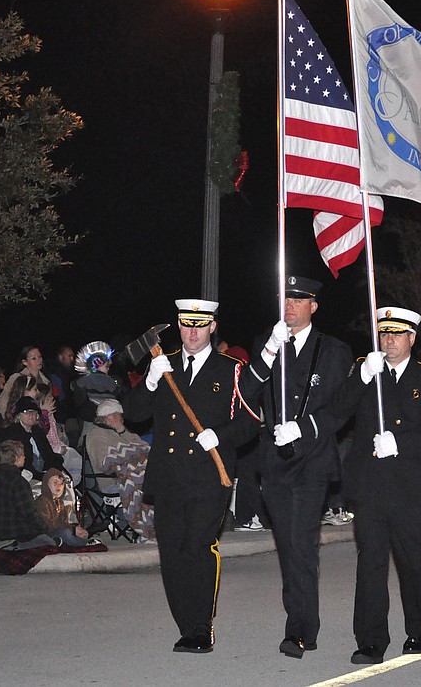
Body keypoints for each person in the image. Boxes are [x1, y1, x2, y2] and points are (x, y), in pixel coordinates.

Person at [126, 298, 259, 654]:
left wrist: (221, 435)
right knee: (172, 552)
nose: (192, 332)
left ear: (212, 327)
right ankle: (186, 624)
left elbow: (251, 421)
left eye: (200, 325)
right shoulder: (162, 365)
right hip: (169, 475)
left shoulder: (231, 370)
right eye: (186, 324)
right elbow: (133, 414)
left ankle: (201, 627)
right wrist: (150, 383)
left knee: (198, 547)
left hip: (208, 475)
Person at [330, 306, 421, 665]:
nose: (389, 339)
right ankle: (370, 639)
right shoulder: (366, 369)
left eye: (397, 333)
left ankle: (419, 629)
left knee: (413, 561)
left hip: (410, 488)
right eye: (385, 333)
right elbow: (337, 411)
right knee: (370, 564)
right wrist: (361, 378)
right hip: (370, 485)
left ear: (412, 338)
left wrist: (400, 444)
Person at [238, 275, 353, 658]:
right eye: (285, 298)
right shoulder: (266, 345)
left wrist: (302, 428)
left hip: (312, 461)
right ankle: (300, 618)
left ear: (313, 306)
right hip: (274, 462)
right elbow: (246, 395)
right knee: (287, 547)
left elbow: (338, 410)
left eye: (298, 299)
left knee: (302, 546)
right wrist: (269, 353)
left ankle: (301, 630)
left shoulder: (333, 350)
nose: (289, 305)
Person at [85, 398, 154, 541]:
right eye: (119, 415)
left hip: (132, 476)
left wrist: (123, 431)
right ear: (109, 417)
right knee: (141, 479)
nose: (122, 419)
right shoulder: (96, 434)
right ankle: (145, 529)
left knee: (156, 478)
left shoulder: (121, 432)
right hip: (112, 481)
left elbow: (146, 448)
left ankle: (158, 525)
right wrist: (133, 457)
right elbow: (105, 463)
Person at [0, 440, 61, 550]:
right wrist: (45, 528)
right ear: (16, 458)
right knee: (50, 542)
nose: (25, 457)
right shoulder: (19, 482)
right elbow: (29, 513)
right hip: (19, 533)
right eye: (23, 455)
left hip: (0, 530)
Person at [2, 396, 65, 480]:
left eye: (34, 412)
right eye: (27, 412)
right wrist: (42, 477)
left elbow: (49, 454)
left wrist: (53, 470)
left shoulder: (37, 431)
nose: (31, 415)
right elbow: (21, 464)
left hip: (44, 474)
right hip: (25, 477)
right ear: (19, 415)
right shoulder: (12, 433)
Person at [35, 468, 93, 547]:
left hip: (58, 531)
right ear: (46, 484)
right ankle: (84, 543)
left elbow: (64, 522)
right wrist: (72, 530)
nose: (58, 486)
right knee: (66, 533)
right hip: (45, 533)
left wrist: (75, 528)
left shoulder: (59, 502)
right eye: (55, 483)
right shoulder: (42, 502)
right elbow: (48, 525)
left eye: (61, 483)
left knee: (80, 532)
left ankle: (77, 541)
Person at [71, 341, 122, 423]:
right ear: (96, 365)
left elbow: (74, 385)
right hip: (109, 412)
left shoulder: (86, 379)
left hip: (91, 414)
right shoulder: (109, 380)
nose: (108, 369)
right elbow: (117, 390)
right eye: (106, 366)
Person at [0, 345, 52, 419]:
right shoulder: (17, 378)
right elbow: (2, 402)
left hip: (39, 423)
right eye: (34, 358)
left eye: (40, 357)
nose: (39, 360)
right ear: (25, 362)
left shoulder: (46, 381)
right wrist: (10, 419)